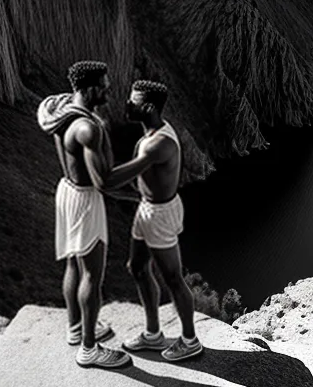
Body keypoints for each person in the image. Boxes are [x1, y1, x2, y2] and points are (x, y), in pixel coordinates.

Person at [37, 60, 131, 369]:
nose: (108, 90)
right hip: (86, 199)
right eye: (103, 86)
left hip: (66, 190)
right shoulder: (88, 128)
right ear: (89, 88)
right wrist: (144, 189)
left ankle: (76, 328)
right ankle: (90, 349)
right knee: (93, 273)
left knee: (73, 265)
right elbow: (103, 181)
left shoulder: (61, 108)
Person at [106, 80, 202, 361]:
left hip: (160, 214)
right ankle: (153, 334)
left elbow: (116, 178)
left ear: (147, 107)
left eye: (132, 101)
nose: (126, 105)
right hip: (147, 208)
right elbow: (140, 183)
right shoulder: (150, 135)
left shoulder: (158, 145)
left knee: (173, 277)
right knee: (136, 267)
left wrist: (86, 176)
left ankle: (190, 340)